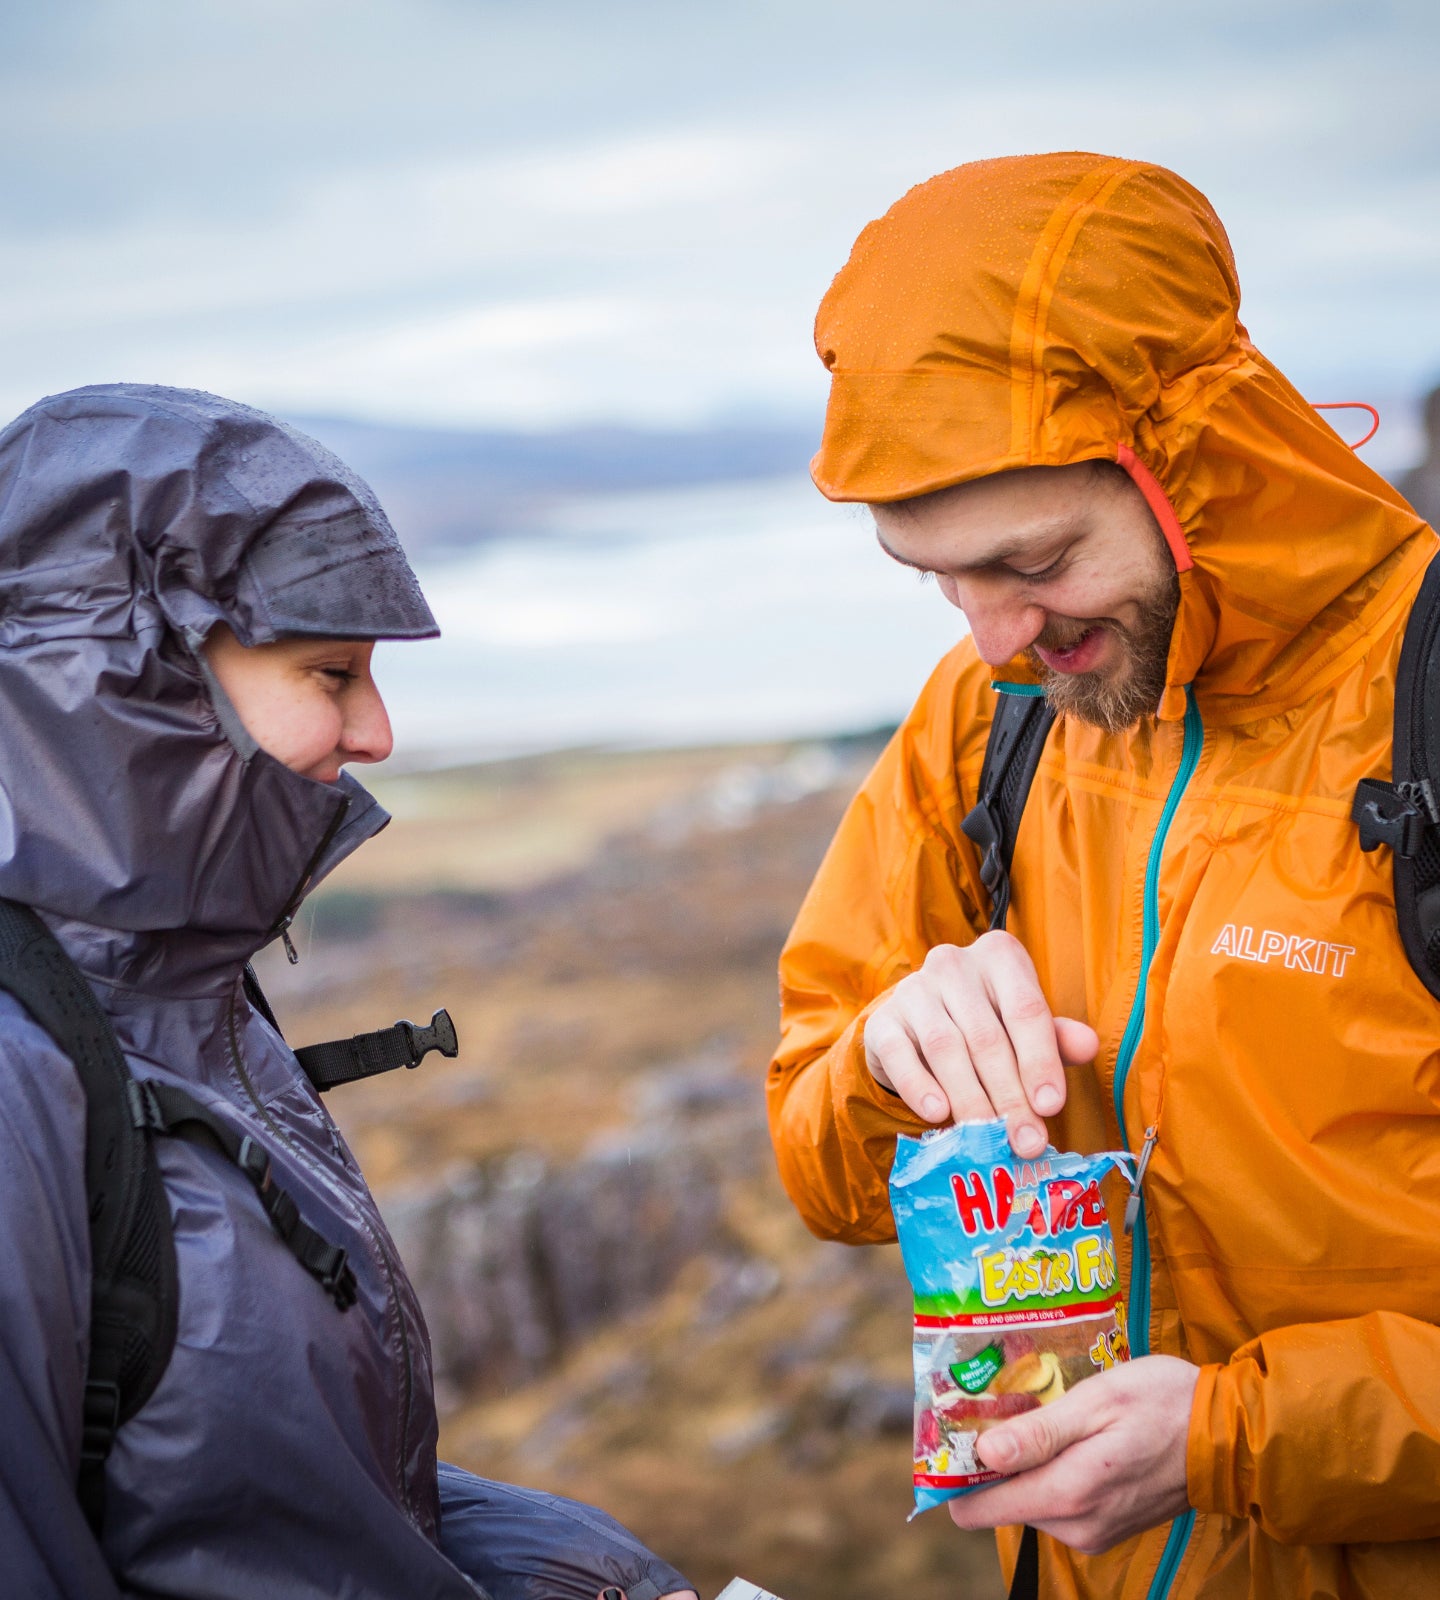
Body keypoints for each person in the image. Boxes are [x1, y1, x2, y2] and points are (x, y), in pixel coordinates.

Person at [767, 153, 1440, 1598]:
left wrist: (1238, 1436)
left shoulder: (1421, 702)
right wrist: (884, 1059)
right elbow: (817, 1158)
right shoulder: (987, 722)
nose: (997, 634)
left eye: (1036, 558)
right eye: (939, 578)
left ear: (1189, 452)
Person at [0, 383, 696, 1600]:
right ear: (136, 680)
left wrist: (611, 1585)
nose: (376, 732)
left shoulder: (185, 1001)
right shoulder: (24, 1074)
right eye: (331, 673)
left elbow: (303, 1511)